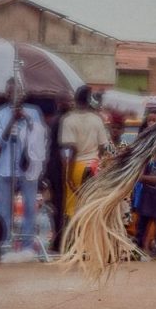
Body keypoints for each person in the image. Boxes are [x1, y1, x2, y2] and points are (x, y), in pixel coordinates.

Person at [0, 81, 48, 251]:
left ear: (24, 93)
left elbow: (39, 137)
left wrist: (27, 119)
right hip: (5, 167)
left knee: (30, 207)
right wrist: (12, 121)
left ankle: (27, 245)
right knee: (4, 209)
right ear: (7, 94)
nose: (16, 95)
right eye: (12, 92)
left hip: (28, 166)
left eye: (19, 92)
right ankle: (5, 243)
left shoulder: (34, 112)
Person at [59, 85, 111, 220]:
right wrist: (97, 161)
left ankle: (74, 239)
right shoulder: (97, 119)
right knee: (89, 206)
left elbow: (71, 150)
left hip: (76, 167)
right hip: (94, 167)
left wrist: (68, 176)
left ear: (75, 99)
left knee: (73, 209)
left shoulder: (68, 119)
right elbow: (103, 146)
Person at [44, 90, 73, 252]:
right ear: (60, 103)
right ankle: (61, 240)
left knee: (59, 205)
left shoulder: (56, 120)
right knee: (61, 205)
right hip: (60, 167)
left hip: (55, 166)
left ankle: (60, 239)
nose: (71, 104)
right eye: (68, 101)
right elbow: (64, 147)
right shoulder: (62, 121)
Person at [133, 146, 156, 257]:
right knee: (141, 225)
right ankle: (138, 248)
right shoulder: (149, 162)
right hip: (146, 198)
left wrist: (140, 177)